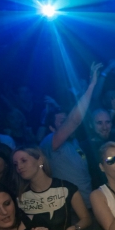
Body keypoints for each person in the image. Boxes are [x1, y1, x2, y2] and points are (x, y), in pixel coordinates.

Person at [13, 146, 94, 230]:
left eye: (23, 161)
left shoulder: (65, 188)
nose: (19, 167)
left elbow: (86, 219)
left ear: (40, 160)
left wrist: (73, 229)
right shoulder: (19, 196)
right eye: (15, 164)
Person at [40, 63, 102, 208]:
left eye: (66, 120)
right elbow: (74, 120)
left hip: (90, 204)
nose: (67, 125)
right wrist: (91, 85)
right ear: (51, 128)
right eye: (62, 122)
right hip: (70, 210)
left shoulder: (74, 142)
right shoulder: (50, 143)